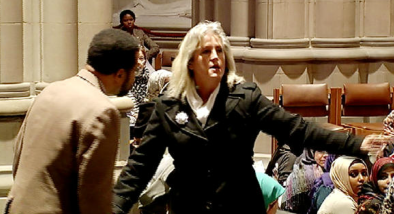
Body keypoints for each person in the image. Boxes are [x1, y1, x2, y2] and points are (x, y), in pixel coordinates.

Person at [112, 21, 388, 214]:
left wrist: (356, 145)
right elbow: (140, 166)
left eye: (219, 50)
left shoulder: (245, 98)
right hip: (190, 206)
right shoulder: (168, 106)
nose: (214, 57)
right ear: (189, 61)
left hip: (240, 204)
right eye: (206, 51)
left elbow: (298, 130)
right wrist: (113, 207)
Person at [4, 29, 139, 214]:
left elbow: (18, 157)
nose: (135, 76)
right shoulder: (102, 111)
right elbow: (94, 197)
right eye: (135, 70)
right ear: (120, 74)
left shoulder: (51, 91)